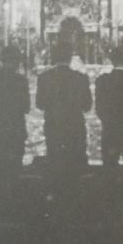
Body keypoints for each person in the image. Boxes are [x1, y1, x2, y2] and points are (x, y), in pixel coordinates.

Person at [36, 42, 92, 195]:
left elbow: (39, 104)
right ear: (70, 57)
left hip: (54, 126)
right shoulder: (80, 78)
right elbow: (87, 106)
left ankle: (57, 199)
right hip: (75, 128)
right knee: (74, 165)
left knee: (55, 163)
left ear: (54, 57)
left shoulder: (44, 77)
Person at [0, 46, 30, 192]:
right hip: (15, 129)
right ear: (16, 61)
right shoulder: (21, 81)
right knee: (15, 170)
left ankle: (0, 200)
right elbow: (26, 107)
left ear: (2, 61)